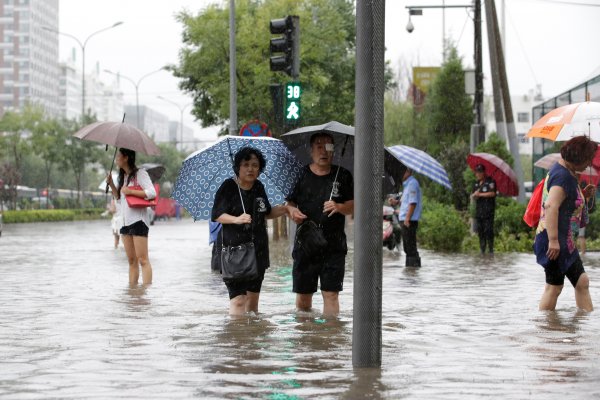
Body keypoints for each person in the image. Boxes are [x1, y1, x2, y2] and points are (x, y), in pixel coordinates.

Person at [211, 147, 288, 316]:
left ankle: (250, 339)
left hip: (258, 250)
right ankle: (237, 338)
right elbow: (217, 215)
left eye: (255, 165)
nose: (250, 169)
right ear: (238, 167)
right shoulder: (228, 186)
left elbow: (266, 212)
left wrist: (285, 209)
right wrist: (236, 219)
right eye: (246, 164)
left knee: (252, 306)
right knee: (238, 301)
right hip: (233, 251)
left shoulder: (259, 187)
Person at [286, 132, 354, 317]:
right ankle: (305, 339)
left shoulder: (344, 175)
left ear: (334, 151)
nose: (324, 151)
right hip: (305, 245)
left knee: (331, 294)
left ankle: (330, 337)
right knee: (303, 297)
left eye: (329, 147)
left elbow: (353, 206)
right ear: (310, 150)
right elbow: (289, 202)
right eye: (319, 146)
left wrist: (339, 206)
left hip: (334, 246)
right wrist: (291, 211)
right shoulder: (299, 175)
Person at [534, 136, 596, 312]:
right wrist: (554, 241)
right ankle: (546, 329)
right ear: (577, 158)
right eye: (587, 160)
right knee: (554, 287)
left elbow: (564, 201)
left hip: (564, 241)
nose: (588, 165)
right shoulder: (563, 176)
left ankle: (584, 326)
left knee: (581, 282)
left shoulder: (566, 172)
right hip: (553, 242)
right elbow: (551, 205)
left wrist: (583, 194)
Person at [107, 148, 156, 286]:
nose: (116, 158)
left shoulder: (140, 173)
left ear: (126, 157)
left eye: (118, 156)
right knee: (131, 261)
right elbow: (119, 199)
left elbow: (152, 193)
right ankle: (133, 292)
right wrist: (111, 184)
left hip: (138, 221)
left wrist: (131, 191)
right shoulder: (122, 177)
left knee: (143, 260)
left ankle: (146, 293)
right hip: (124, 222)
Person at [471, 164, 497, 254]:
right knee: (481, 231)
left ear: (483, 172)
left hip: (488, 212)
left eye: (479, 172)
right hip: (479, 212)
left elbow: (492, 193)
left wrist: (480, 194)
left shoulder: (490, 182)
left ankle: (490, 249)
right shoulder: (476, 184)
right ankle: (482, 250)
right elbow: (474, 196)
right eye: (476, 172)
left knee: (488, 230)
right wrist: (474, 195)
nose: (477, 174)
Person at [399, 168, 422, 267]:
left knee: (410, 248)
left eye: (402, 171)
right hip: (405, 219)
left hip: (409, 220)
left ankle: (413, 269)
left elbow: (413, 202)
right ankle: (410, 272)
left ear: (408, 171)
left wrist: (407, 218)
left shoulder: (412, 183)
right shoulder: (407, 184)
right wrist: (395, 202)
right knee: (407, 248)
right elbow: (406, 201)